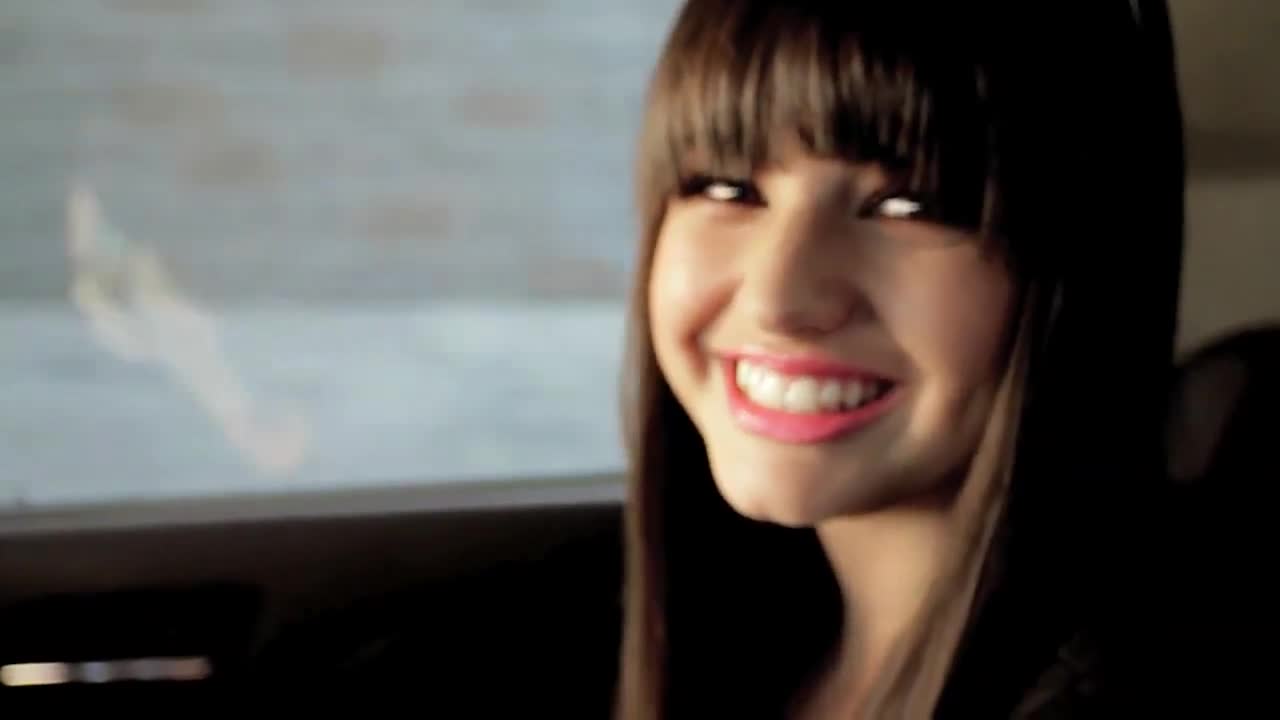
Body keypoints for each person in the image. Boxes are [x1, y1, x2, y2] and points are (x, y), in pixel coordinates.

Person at [615, 1, 1186, 717]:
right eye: (729, 190)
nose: (777, 299)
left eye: (910, 206)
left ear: (1082, 268)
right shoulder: (748, 654)